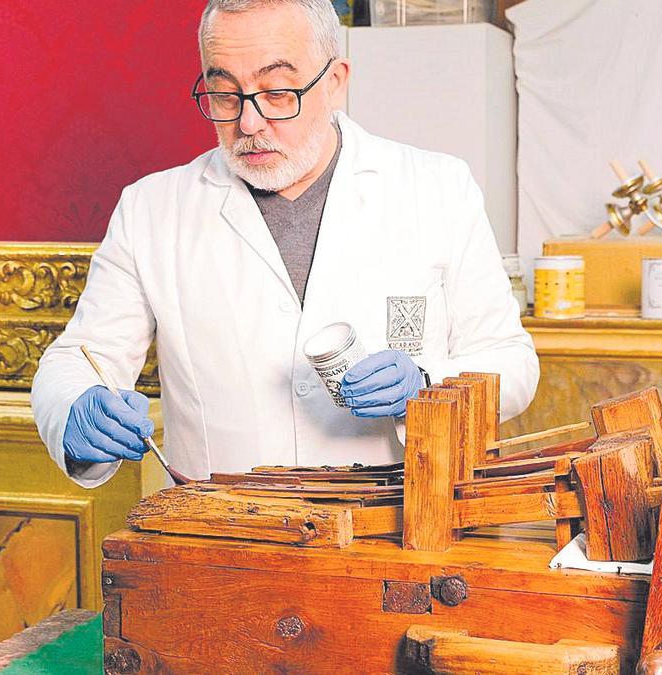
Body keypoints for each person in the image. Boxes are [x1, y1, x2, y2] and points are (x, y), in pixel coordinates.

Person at [30, 0, 538, 487]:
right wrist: (77, 409)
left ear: (335, 82)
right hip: (220, 540)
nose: (248, 124)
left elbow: (511, 363)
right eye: (225, 95)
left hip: (393, 534)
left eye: (276, 92)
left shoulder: (436, 188)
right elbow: (80, 356)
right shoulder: (152, 209)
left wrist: (429, 383)